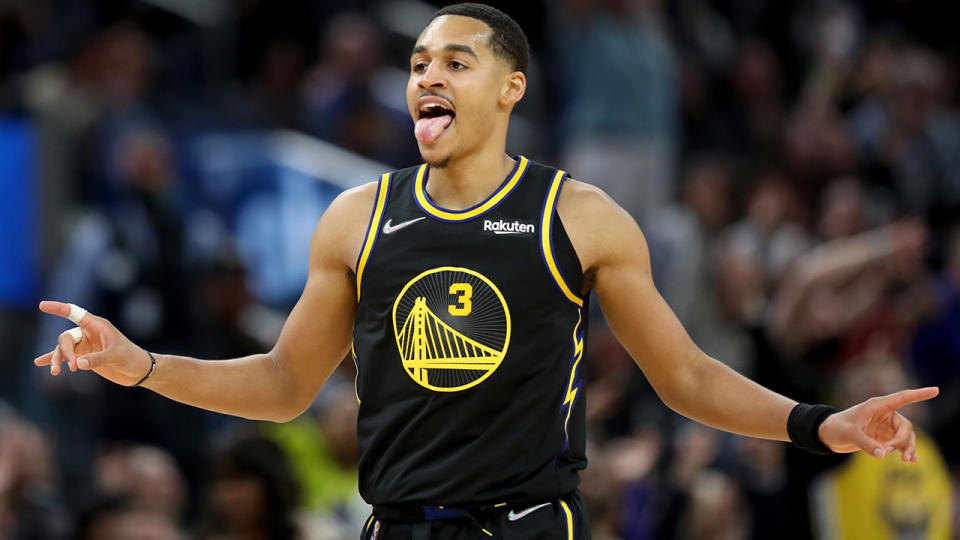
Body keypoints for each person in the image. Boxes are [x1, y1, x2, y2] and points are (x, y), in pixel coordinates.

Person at [36, 4, 938, 539]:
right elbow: (281, 385)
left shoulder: (578, 215)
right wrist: (139, 364)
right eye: (418, 63)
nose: (428, 75)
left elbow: (687, 375)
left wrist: (820, 425)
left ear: (511, 88)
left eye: (455, 62)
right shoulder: (358, 217)